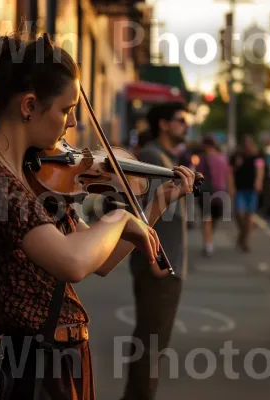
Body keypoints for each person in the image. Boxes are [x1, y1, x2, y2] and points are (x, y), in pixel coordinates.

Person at [0, 31, 196, 400]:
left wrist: (156, 204)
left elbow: (101, 261)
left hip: (64, 359)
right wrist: (119, 220)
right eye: (66, 109)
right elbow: (71, 262)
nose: (72, 124)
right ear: (29, 105)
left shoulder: (35, 182)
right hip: (32, 367)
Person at [121, 102, 191, 400]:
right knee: (151, 345)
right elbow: (142, 214)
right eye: (180, 120)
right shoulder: (152, 158)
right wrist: (152, 258)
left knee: (154, 344)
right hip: (159, 265)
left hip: (166, 262)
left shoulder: (165, 158)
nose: (185, 125)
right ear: (163, 124)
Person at [196, 136, 234, 256]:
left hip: (206, 192)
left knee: (207, 218)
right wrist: (231, 190)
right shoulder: (223, 158)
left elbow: (198, 176)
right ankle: (209, 241)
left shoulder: (202, 159)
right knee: (213, 218)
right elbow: (229, 175)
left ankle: (208, 244)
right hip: (220, 193)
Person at [229, 136, 264, 252]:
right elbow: (230, 171)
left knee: (249, 216)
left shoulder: (257, 157)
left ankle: (244, 241)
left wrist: (258, 182)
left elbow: (260, 169)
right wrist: (232, 186)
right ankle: (243, 234)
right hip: (240, 189)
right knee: (239, 214)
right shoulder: (237, 157)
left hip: (252, 189)